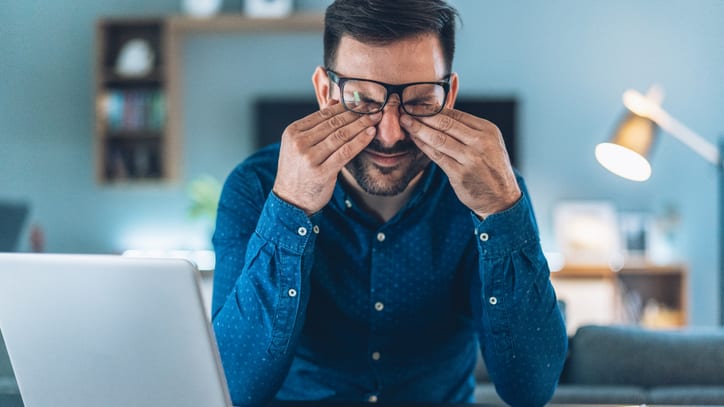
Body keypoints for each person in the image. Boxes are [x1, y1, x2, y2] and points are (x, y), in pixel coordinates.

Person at [211, 1, 567, 406]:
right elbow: (232, 388)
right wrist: (292, 207)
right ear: (325, 92)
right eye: (362, 100)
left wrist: (502, 212)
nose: (391, 132)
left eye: (419, 101)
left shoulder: (495, 191)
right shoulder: (255, 187)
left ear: (449, 95)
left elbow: (531, 390)